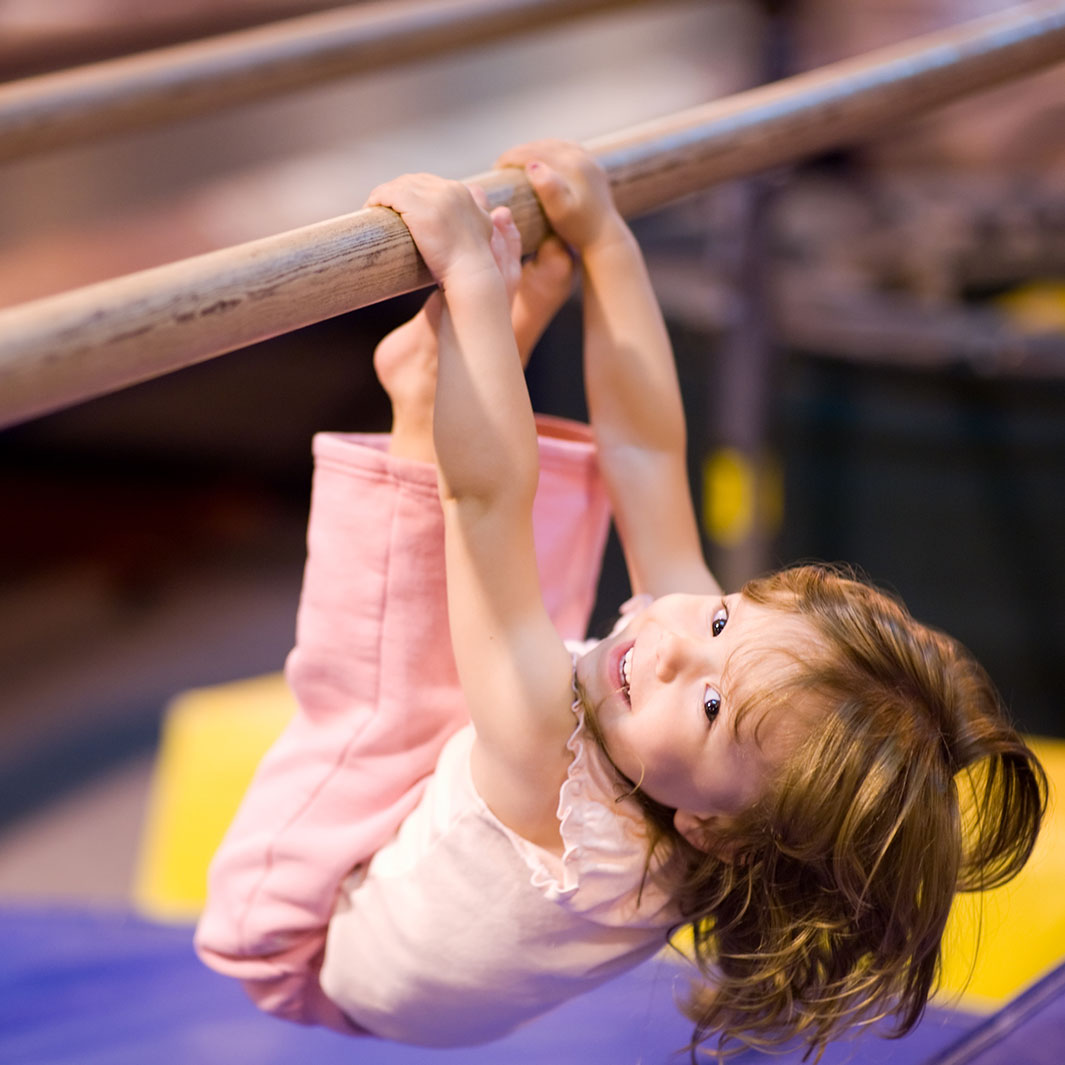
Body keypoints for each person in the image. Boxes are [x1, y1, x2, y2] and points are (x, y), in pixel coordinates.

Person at [196, 141, 1047, 1059]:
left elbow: (483, 502)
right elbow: (644, 449)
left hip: (302, 935)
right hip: (440, 880)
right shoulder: (721, 770)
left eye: (713, 705)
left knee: (416, 681)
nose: (681, 646)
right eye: (721, 618)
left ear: (713, 830)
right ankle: (436, 390)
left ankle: (429, 402)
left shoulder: (553, 792)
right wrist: (607, 241)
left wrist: (473, 283)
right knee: (547, 636)